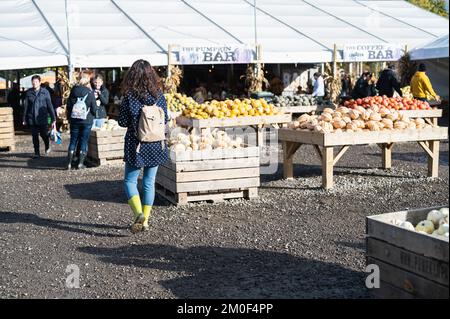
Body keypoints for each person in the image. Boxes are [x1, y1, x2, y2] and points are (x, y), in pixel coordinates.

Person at [118, 59, 169, 233]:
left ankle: (138, 213)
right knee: (149, 182)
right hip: (155, 144)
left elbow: (123, 122)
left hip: (136, 144)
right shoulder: (159, 96)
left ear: (132, 76)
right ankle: (145, 220)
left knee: (130, 181)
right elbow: (166, 120)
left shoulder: (130, 97)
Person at [66, 71, 98, 170]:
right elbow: (94, 108)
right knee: (84, 141)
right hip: (86, 121)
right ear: (87, 80)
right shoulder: (90, 92)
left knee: (73, 141)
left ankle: (69, 164)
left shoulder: (73, 91)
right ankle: (80, 164)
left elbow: (69, 106)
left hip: (74, 120)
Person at [22, 75, 56, 158]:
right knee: (34, 136)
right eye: (33, 82)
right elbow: (26, 107)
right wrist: (24, 118)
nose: (34, 83)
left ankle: (47, 145)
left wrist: (53, 118)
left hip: (42, 117)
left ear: (40, 82)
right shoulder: (29, 93)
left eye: (36, 82)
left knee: (43, 134)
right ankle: (37, 152)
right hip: (32, 118)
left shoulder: (45, 92)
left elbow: (49, 105)